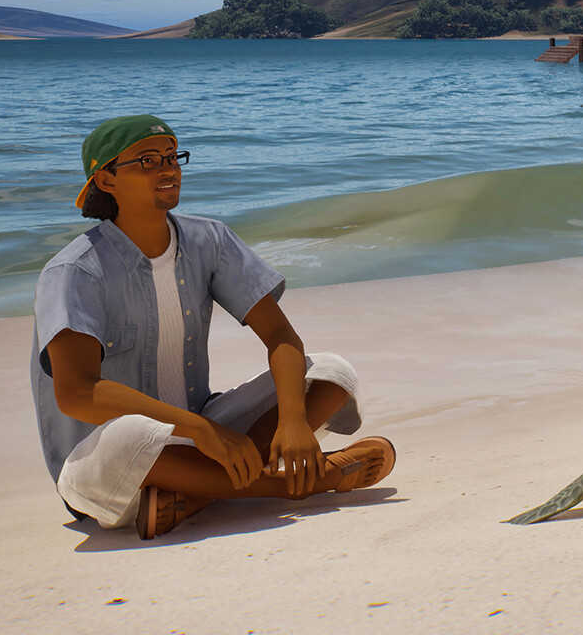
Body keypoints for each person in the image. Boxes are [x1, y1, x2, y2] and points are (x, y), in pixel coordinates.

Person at [29, 114, 395, 539]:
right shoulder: (75, 271)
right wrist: (201, 431)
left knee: (330, 371)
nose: (167, 169)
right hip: (106, 461)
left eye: (171, 156)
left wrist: (293, 419)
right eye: (147, 161)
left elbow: (280, 337)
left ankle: (193, 496)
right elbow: (77, 394)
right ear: (106, 181)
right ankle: (307, 483)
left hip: (202, 429)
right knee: (129, 436)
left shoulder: (211, 240)